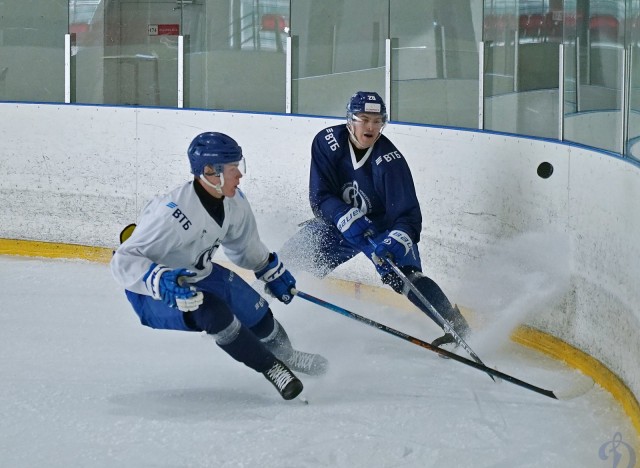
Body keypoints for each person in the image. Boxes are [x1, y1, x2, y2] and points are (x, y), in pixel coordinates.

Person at [110, 131, 328, 401]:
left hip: (201, 273)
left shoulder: (235, 201)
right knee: (212, 312)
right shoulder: (170, 213)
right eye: (233, 168)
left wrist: (269, 268)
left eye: (239, 166)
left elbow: (245, 247)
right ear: (210, 172)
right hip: (153, 291)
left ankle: (287, 355)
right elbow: (123, 260)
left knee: (257, 314)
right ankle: (272, 367)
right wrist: (159, 279)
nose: (240, 175)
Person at [279, 91, 470, 350]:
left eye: (377, 120)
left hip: (382, 230)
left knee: (405, 277)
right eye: (364, 119)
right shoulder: (326, 143)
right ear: (350, 120)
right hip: (340, 226)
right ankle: (251, 308)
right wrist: (342, 215)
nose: (370, 126)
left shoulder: (390, 162)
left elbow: (409, 216)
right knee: (293, 253)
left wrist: (394, 242)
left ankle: (457, 327)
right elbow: (319, 197)